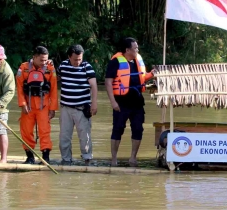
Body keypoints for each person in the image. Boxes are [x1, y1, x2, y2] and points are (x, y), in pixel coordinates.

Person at [105, 37, 155, 167]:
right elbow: (108, 82)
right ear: (127, 50)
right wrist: (113, 102)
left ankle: (133, 158)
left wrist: (152, 74)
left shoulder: (138, 60)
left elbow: (142, 78)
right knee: (118, 129)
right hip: (121, 103)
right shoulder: (116, 62)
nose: (137, 50)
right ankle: (114, 159)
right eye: (135, 48)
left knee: (138, 129)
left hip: (137, 102)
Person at [16, 46, 58, 164]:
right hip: (28, 106)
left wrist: (53, 108)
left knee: (45, 130)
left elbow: (54, 90)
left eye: (46, 60)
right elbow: (19, 88)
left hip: (43, 106)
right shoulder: (23, 68)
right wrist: (22, 104)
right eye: (41, 60)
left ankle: (46, 156)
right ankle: (29, 157)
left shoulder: (50, 69)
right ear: (34, 57)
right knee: (26, 131)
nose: (44, 63)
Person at [57, 44, 98, 165]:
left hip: (82, 108)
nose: (78, 62)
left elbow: (94, 86)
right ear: (69, 57)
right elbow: (55, 79)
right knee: (64, 136)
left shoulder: (87, 67)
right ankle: (66, 159)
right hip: (65, 108)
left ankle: (87, 159)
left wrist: (94, 104)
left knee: (85, 136)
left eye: (80, 59)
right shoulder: (63, 66)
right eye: (75, 59)